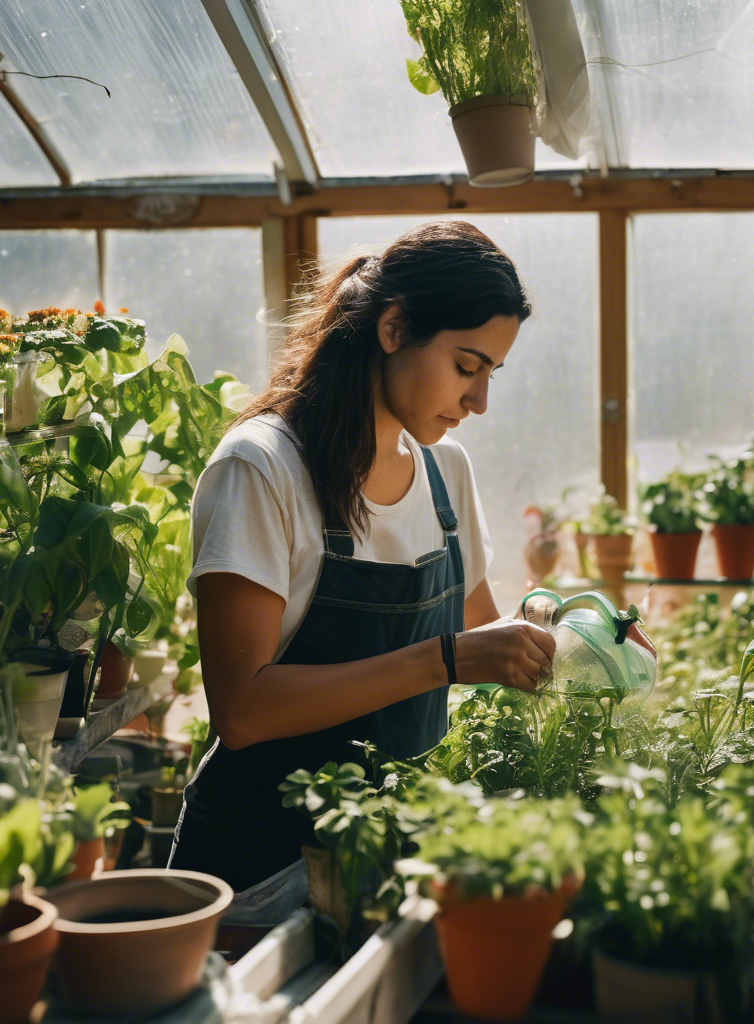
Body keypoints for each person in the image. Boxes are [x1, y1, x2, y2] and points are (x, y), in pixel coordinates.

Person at [168, 221, 645, 923]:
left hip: (384, 865)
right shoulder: (262, 468)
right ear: (393, 329)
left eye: (490, 374)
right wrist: (443, 660)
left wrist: (582, 635)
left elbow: (483, 631)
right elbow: (242, 711)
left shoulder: (444, 473)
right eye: (466, 365)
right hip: (255, 875)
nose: (480, 401)